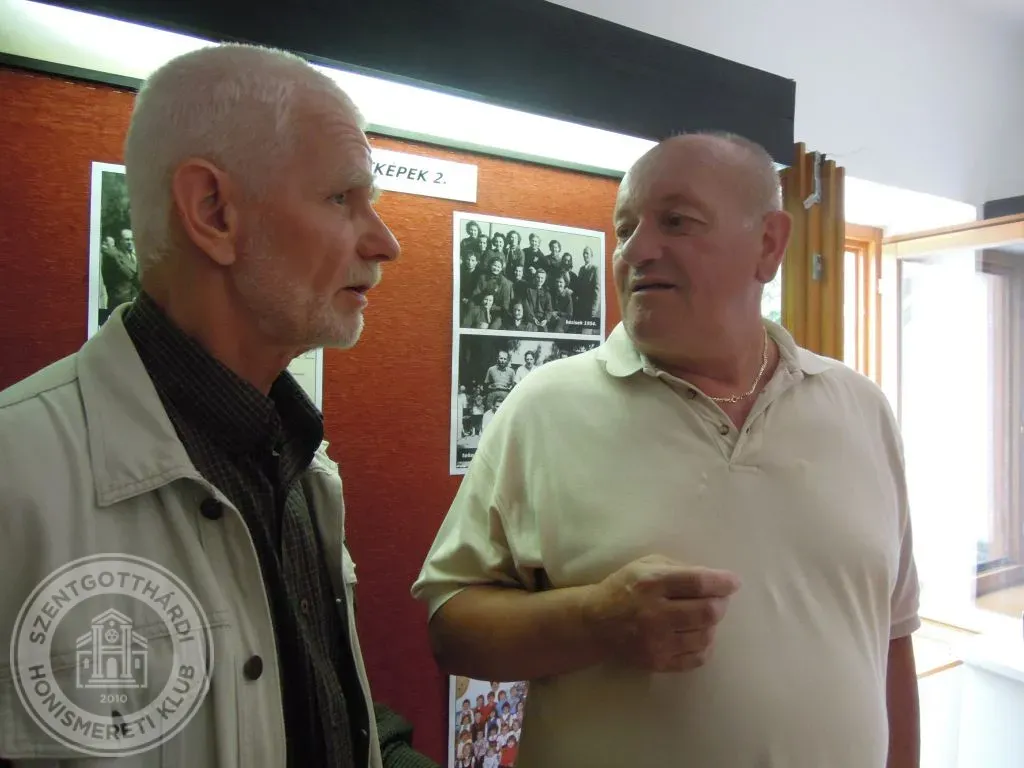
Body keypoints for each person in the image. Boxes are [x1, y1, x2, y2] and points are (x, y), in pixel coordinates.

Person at [412, 132, 921, 767]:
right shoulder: (543, 408)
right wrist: (594, 620)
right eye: (625, 228)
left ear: (768, 244)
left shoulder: (862, 409)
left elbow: (892, 636)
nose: (635, 250)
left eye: (676, 221)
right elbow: (451, 627)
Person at [0, 44, 437, 768]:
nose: (385, 243)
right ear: (213, 211)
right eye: (341, 197)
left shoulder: (299, 459)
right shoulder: (16, 478)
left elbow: (310, 709)